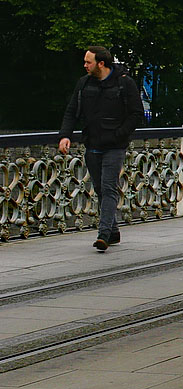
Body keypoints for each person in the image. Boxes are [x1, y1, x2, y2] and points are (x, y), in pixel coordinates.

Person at [58, 47, 143, 252]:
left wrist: (119, 134)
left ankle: (103, 234)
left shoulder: (124, 83)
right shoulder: (84, 84)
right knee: (99, 188)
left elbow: (136, 114)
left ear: (101, 64)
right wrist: (65, 135)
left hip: (114, 146)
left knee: (108, 187)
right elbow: (71, 111)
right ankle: (113, 230)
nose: (85, 65)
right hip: (92, 143)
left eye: (88, 62)